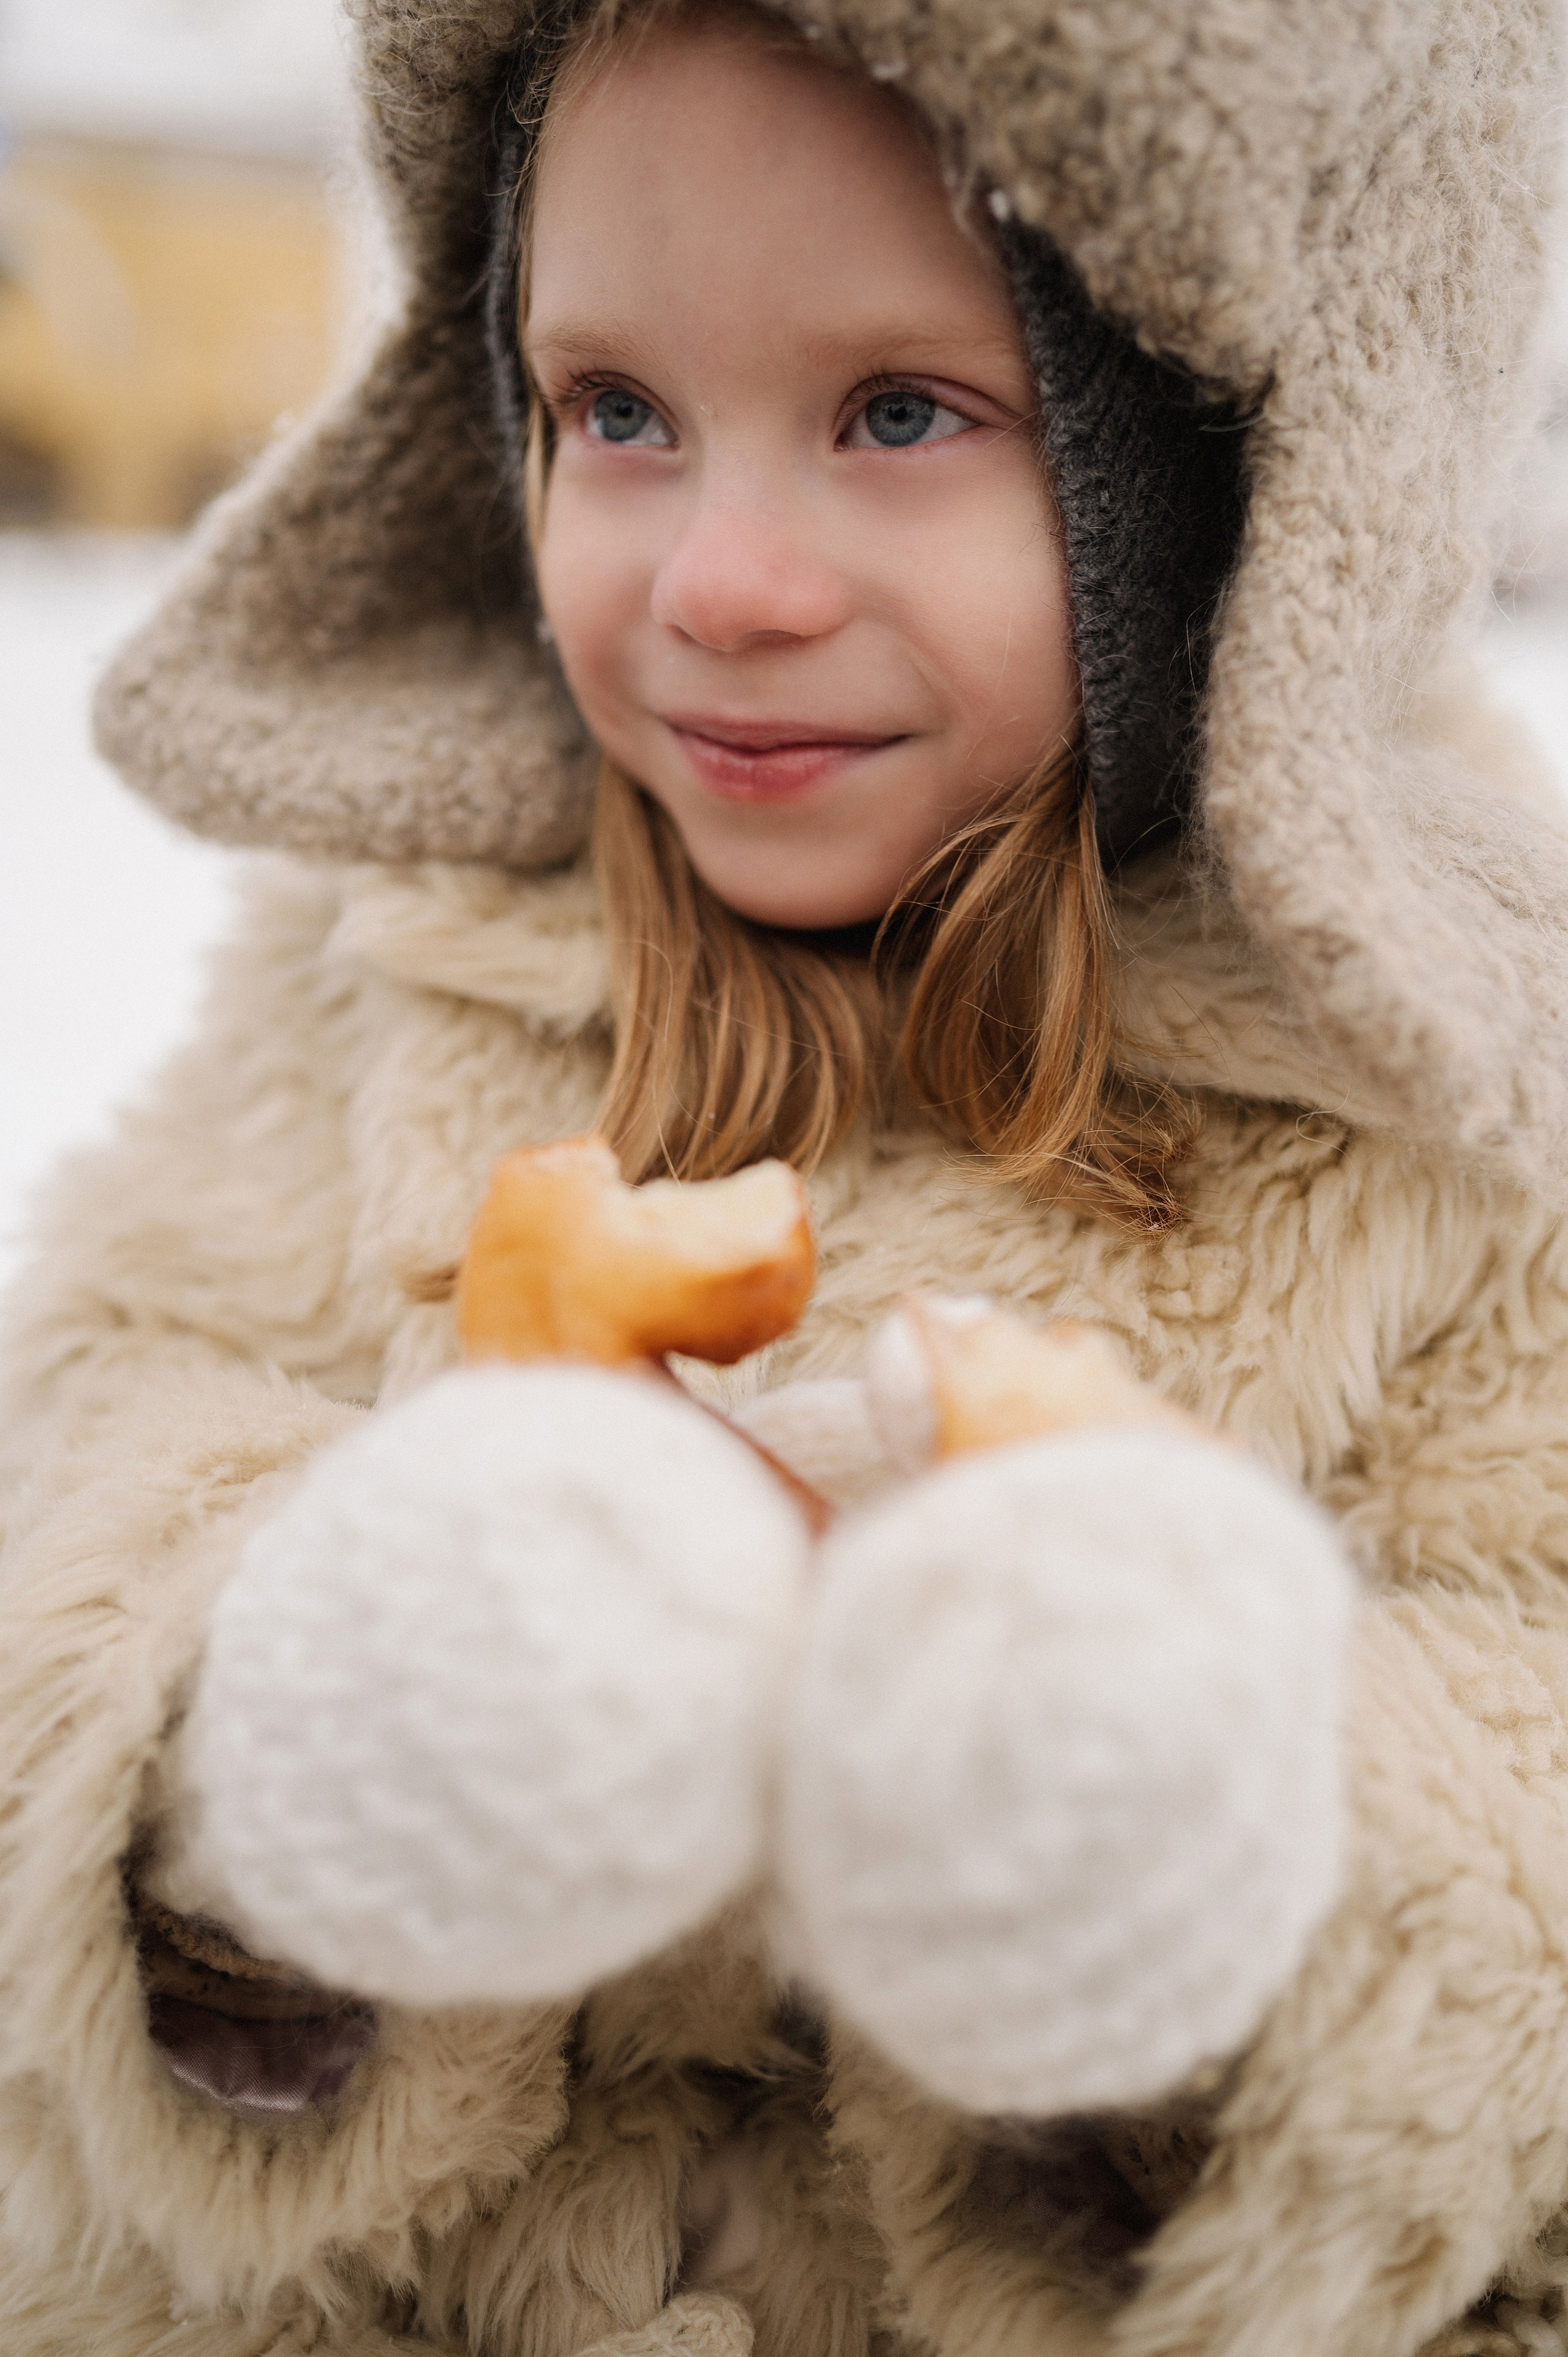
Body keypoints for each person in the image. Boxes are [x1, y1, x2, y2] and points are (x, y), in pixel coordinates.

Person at [4, 0, 1568, 2350]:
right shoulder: (396, 965)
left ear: (1249, 484)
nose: (721, 578)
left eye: (903, 412)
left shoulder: (1470, 1117)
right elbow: (87, 1444)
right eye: (614, 412)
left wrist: (1185, 1844)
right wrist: (287, 1727)